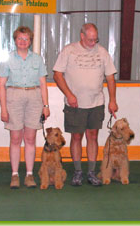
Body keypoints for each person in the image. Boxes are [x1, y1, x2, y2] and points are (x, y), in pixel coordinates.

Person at [53, 23, 118, 186]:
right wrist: (69, 95)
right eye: (90, 40)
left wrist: (113, 100)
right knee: (76, 137)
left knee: (93, 136)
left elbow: (110, 77)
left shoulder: (102, 52)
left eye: (95, 39)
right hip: (74, 104)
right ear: (82, 36)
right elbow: (57, 75)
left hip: (96, 103)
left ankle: (91, 172)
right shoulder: (69, 51)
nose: (93, 43)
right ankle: (77, 171)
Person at [0, 26, 50, 189]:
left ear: (30, 41)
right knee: (15, 138)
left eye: (26, 39)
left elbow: (43, 83)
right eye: (19, 38)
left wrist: (45, 105)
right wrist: (3, 109)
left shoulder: (37, 59)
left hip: (34, 98)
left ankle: (29, 174)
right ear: (15, 40)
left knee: (30, 138)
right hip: (14, 97)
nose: (22, 42)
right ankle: (14, 174)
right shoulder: (7, 60)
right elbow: (1, 85)